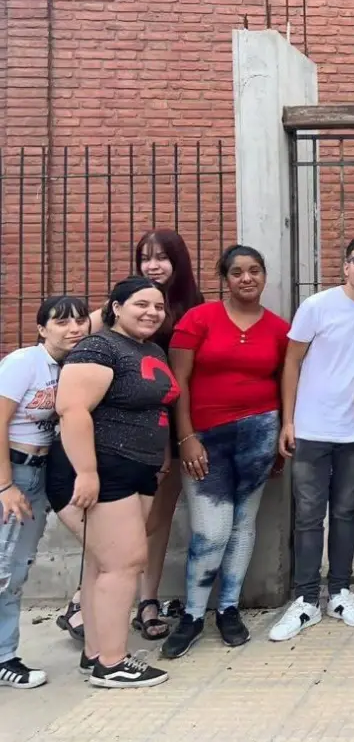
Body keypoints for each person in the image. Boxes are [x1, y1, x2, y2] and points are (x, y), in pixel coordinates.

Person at [47, 277, 181, 688]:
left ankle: (96, 656)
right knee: (125, 563)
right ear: (115, 307)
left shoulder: (149, 349)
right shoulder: (98, 346)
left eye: (158, 306)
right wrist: (87, 472)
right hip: (100, 467)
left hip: (133, 469)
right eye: (141, 304)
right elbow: (72, 410)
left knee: (105, 565)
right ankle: (113, 662)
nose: (152, 313)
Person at [161, 245, 290, 659]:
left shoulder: (277, 328)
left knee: (242, 525)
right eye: (237, 272)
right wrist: (187, 438)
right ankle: (194, 614)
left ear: (264, 276)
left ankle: (229, 609)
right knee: (210, 530)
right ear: (225, 278)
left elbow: (287, 381)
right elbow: (176, 382)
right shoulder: (198, 320)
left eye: (255, 271)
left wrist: (281, 438)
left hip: (260, 432)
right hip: (205, 437)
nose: (247, 278)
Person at [268, 236, 354, 642]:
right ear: (345, 266)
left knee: (345, 511)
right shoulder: (317, 307)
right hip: (311, 428)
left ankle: (340, 592)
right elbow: (291, 362)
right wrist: (287, 421)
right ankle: (306, 599)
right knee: (309, 515)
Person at [81, 229, 204, 642]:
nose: (153, 265)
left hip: (168, 426)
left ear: (179, 262)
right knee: (112, 526)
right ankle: (82, 603)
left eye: (162, 258)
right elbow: (72, 339)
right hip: (115, 434)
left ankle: (147, 599)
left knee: (156, 520)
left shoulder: (192, 308)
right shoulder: (119, 307)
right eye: (145, 258)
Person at [0, 296, 89, 689]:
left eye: (80, 321)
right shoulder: (24, 363)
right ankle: (4, 657)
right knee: (3, 571)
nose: (73, 328)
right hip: (12, 471)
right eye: (61, 321)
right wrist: (5, 485)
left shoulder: (72, 367)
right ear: (41, 328)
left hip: (39, 474)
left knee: (16, 570)